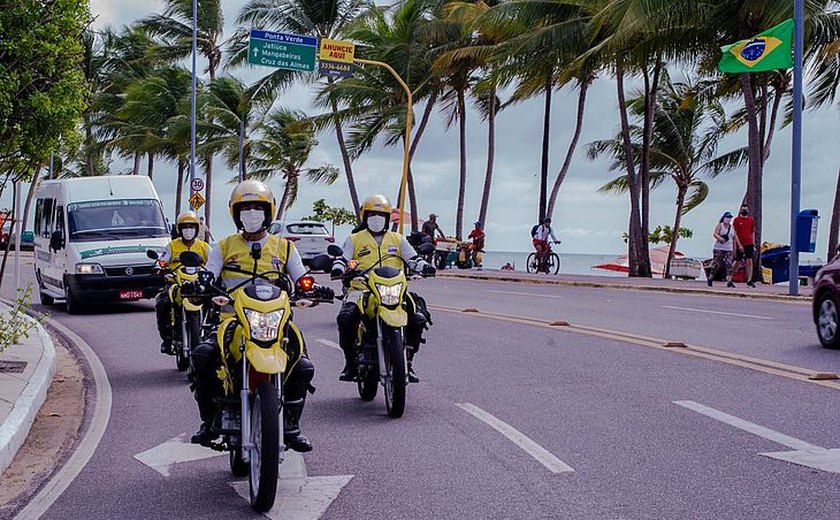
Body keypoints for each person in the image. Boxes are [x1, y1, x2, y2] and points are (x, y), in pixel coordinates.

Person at [189, 180, 333, 451]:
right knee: (202, 356)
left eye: (258, 208)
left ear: (269, 212)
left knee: (303, 366)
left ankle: (290, 424)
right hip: (231, 321)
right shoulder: (224, 246)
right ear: (235, 214)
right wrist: (199, 286)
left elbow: (302, 277)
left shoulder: (284, 248)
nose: (252, 214)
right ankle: (208, 421)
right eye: (246, 209)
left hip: (276, 322)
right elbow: (207, 274)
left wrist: (311, 290)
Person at [331, 194, 434, 384]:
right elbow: (342, 259)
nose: (376, 220)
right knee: (345, 318)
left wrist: (424, 266)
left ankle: (407, 361)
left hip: (394, 290)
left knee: (418, 318)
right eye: (372, 215)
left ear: (387, 218)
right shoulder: (354, 239)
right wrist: (339, 268)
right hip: (361, 290)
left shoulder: (398, 239)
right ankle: (351, 364)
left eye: (380, 215)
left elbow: (413, 259)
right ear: (365, 217)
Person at [154, 211, 211, 354]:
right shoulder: (172, 246)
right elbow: (163, 259)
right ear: (179, 229)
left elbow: (213, 263)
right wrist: (159, 265)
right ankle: (167, 339)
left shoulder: (204, 247)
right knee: (163, 303)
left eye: (191, 226)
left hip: (199, 284)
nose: (188, 230)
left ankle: (211, 331)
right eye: (185, 227)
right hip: (176, 283)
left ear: (197, 228)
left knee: (215, 301)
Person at [708, 211, 740, 288]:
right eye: (727, 217)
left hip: (729, 248)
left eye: (730, 218)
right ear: (724, 218)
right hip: (719, 248)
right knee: (716, 264)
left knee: (729, 264)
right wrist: (720, 238)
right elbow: (715, 234)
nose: (728, 219)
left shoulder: (732, 227)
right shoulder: (720, 225)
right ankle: (710, 278)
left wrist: (735, 249)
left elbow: (734, 238)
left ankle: (729, 281)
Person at [733, 203, 756, 288]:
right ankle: (730, 276)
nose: (744, 211)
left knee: (749, 260)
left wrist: (753, 244)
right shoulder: (736, 220)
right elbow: (735, 233)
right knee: (738, 261)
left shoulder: (751, 220)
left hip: (749, 243)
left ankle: (749, 280)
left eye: (746, 210)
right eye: (743, 210)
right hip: (740, 243)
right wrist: (738, 245)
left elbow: (752, 232)